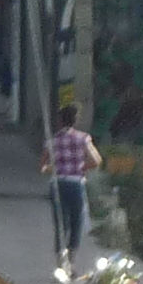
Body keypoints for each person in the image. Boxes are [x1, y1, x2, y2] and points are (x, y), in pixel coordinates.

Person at [39, 105, 103, 274]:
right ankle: (72, 264)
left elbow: (43, 166)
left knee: (61, 224)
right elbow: (96, 160)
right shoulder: (84, 139)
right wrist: (81, 167)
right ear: (75, 120)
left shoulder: (52, 141)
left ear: (60, 121)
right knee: (77, 223)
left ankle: (61, 264)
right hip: (76, 184)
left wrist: (54, 169)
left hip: (58, 184)